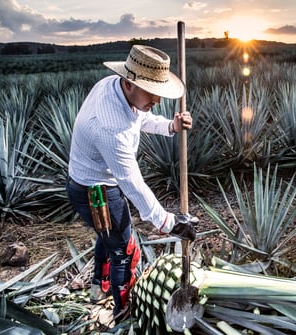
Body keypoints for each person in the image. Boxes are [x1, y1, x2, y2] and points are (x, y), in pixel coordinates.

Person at [66, 44, 197, 323]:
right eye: (152, 93)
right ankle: (124, 313)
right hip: (96, 191)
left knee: (110, 236)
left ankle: (96, 288)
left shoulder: (113, 87)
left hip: (87, 181)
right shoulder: (111, 126)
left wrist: (169, 127)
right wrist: (169, 223)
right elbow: (131, 181)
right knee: (125, 250)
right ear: (129, 83)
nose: (158, 101)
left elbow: (140, 116)